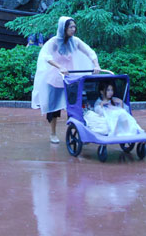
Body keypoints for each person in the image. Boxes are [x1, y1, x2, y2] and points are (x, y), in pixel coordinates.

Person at [32, 16, 100, 144]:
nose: (73, 29)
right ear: (63, 28)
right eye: (70, 27)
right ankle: (53, 133)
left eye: (74, 27)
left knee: (74, 106)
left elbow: (89, 52)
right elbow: (46, 56)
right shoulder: (54, 42)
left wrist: (96, 65)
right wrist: (59, 66)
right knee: (53, 108)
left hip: (71, 79)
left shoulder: (75, 41)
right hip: (55, 78)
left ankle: (76, 132)